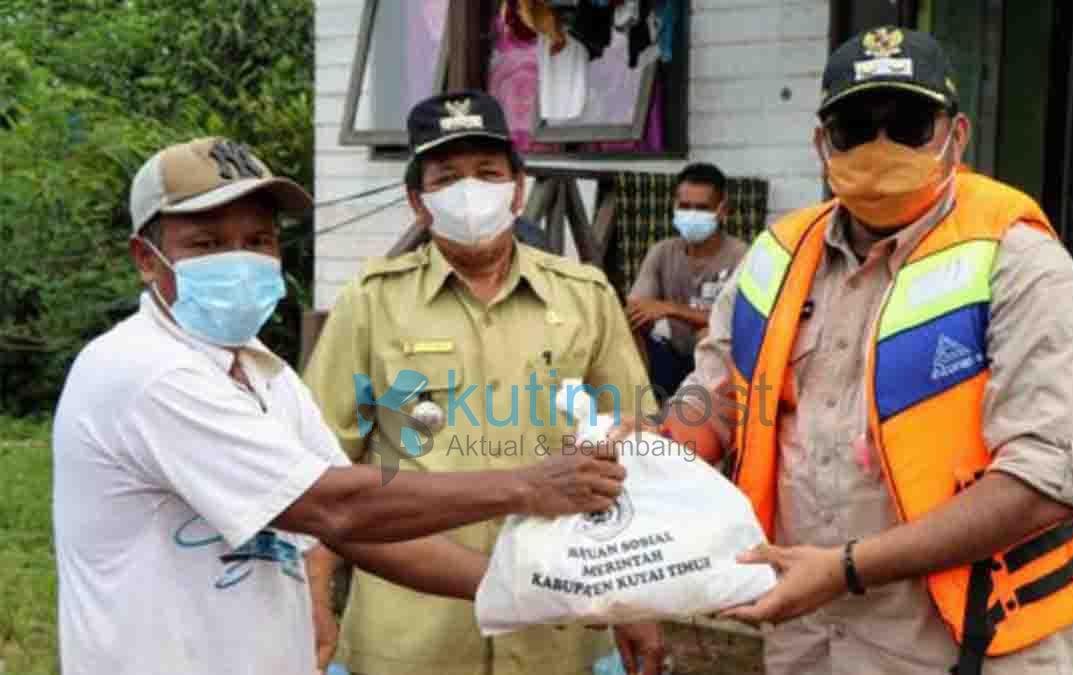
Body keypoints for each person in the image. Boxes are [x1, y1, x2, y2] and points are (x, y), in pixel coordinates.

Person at [52, 137, 629, 675]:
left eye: (258, 241)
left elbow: (366, 528)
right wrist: (528, 486)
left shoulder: (260, 372)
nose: (241, 259)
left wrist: (535, 589)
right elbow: (336, 509)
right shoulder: (150, 373)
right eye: (206, 243)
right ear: (147, 259)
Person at [643, 27, 1073, 675]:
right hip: (806, 638)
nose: (880, 145)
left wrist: (845, 568)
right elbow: (718, 397)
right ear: (821, 144)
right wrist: (648, 445)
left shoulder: (1019, 261)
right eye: (855, 126)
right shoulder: (776, 257)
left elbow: (1045, 479)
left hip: (965, 646)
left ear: (957, 135)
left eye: (909, 123)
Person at [303, 91, 666, 675]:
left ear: (517, 190)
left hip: (558, 620)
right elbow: (318, 470)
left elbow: (634, 451)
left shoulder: (586, 296)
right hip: (413, 633)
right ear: (418, 201)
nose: (469, 190)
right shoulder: (371, 304)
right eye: (446, 177)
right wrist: (314, 593)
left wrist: (634, 599)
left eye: (487, 173)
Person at [626, 162, 748, 399]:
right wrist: (640, 317)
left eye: (702, 208)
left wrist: (672, 309)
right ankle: (640, 403)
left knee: (708, 333)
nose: (692, 214)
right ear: (674, 206)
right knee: (631, 328)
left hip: (719, 362)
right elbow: (637, 305)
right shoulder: (663, 251)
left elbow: (737, 324)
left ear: (722, 210)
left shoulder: (742, 255)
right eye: (684, 206)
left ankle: (701, 412)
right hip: (670, 352)